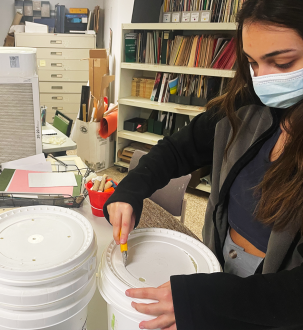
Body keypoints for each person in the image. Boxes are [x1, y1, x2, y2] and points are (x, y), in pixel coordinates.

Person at [104, 0, 303, 329]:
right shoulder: (245, 108)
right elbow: (176, 150)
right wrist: (130, 189)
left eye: (282, 63)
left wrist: (210, 300)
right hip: (219, 267)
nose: (262, 80)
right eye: (253, 63)